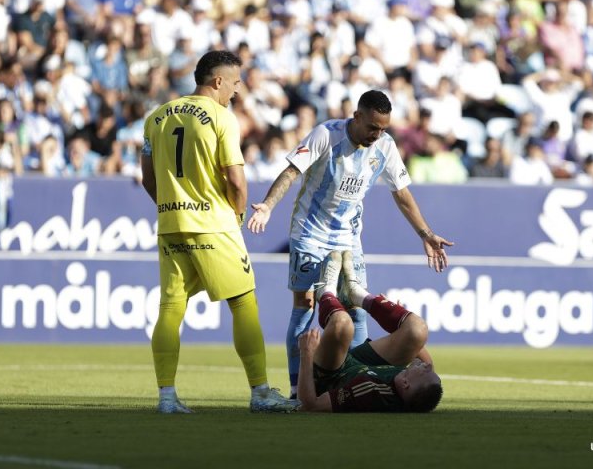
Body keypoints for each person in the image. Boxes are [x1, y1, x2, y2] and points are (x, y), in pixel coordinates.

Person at [247, 90, 453, 398]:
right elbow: (291, 173)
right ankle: (295, 389)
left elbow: (402, 194)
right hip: (310, 234)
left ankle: (354, 379)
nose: (377, 134)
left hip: (349, 237)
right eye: (372, 126)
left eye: (383, 128)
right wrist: (267, 205)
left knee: (356, 309)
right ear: (356, 116)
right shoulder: (325, 135)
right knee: (305, 307)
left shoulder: (384, 146)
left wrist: (425, 233)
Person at [140, 50, 298, 414]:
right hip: (213, 223)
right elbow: (236, 179)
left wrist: (170, 206)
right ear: (217, 81)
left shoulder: (156, 117)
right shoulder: (221, 118)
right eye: (235, 82)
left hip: (171, 224)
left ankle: (166, 397)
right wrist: (237, 215)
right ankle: (260, 392)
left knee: (169, 307)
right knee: (243, 301)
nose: (238, 90)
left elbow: (148, 177)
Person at [297, 251, 442, 412]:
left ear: (406, 384)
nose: (428, 367)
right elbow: (418, 346)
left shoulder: (369, 391)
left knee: (342, 324)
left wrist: (306, 354)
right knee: (417, 331)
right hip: (365, 366)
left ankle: (326, 291)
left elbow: (309, 406)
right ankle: (356, 293)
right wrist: (397, 323)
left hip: (333, 375)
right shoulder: (408, 382)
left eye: (425, 372)